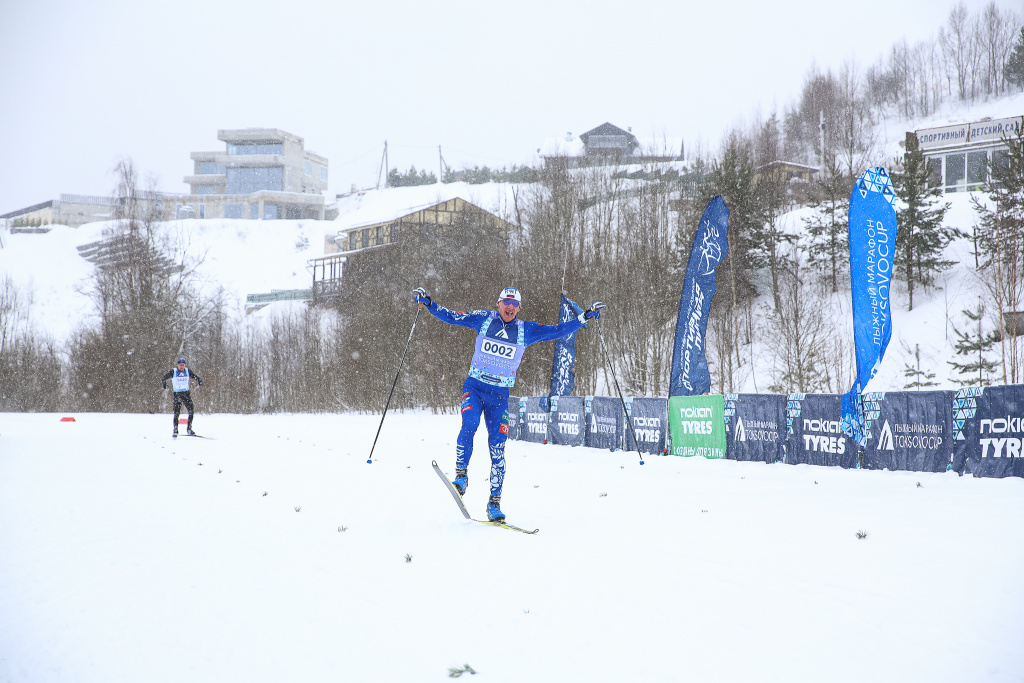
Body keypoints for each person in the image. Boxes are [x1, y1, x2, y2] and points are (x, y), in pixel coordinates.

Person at [413, 285, 603, 522]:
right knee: (469, 424)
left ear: (519, 308)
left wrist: (583, 317)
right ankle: (461, 477)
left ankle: (494, 503)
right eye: (507, 303)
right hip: (475, 387)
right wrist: (430, 304)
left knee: (498, 447)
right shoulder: (483, 319)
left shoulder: (526, 330)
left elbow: (558, 331)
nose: (510, 308)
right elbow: (453, 316)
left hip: (499, 397)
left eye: (515, 305)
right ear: (498, 303)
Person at [161, 357, 203, 437]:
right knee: (177, 413)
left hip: (186, 394)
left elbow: (195, 376)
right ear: (177, 365)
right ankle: (175, 429)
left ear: (185, 365)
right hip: (177, 394)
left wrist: (199, 380)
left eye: (183, 365)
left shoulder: (187, 371)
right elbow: (163, 378)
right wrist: (164, 384)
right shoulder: (173, 371)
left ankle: (189, 429)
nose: (181, 366)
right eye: (180, 365)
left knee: (191, 411)